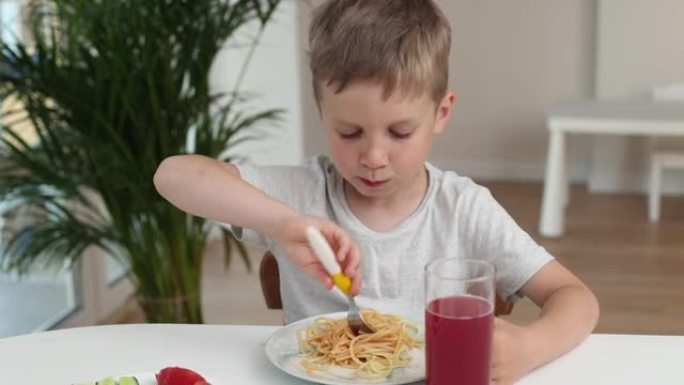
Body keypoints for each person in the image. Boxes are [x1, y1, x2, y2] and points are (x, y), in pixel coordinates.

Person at [154, 0, 599, 383]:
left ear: (441, 112)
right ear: (321, 112)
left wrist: (530, 347)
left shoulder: (463, 208)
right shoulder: (303, 194)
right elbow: (173, 175)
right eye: (349, 132)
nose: (373, 157)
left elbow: (576, 298)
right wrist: (284, 222)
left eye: (400, 132)